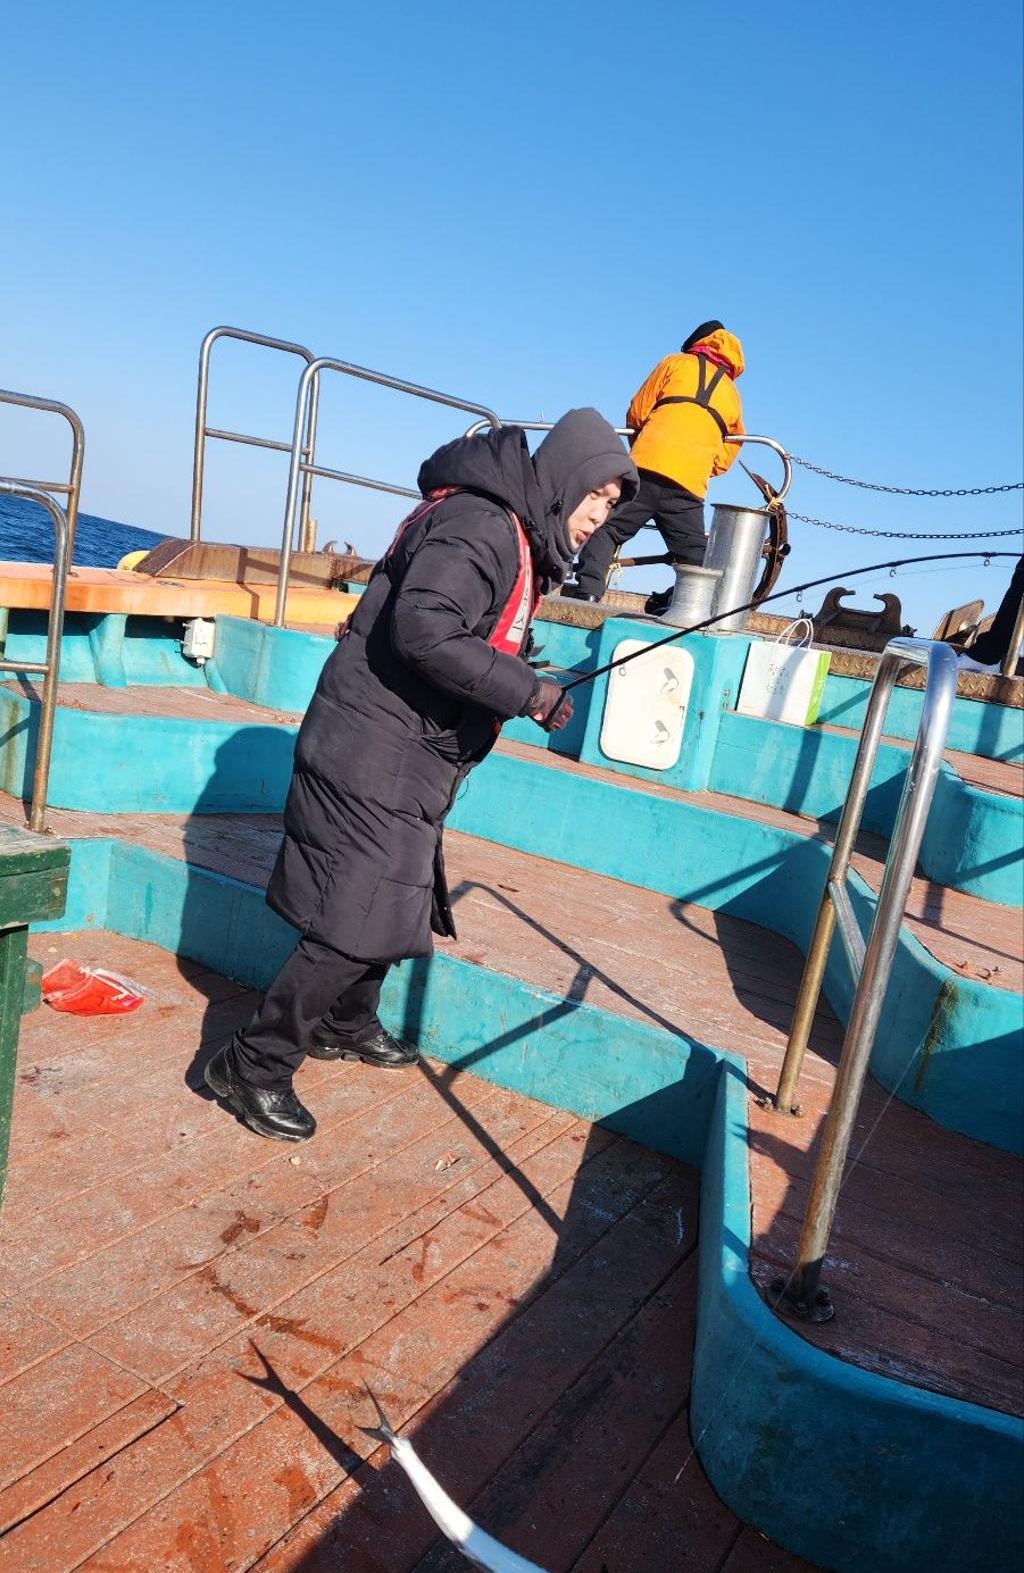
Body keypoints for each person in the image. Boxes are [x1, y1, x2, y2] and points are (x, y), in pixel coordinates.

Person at [205, 411, 639, 1141]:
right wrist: (528, 691)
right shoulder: (483, 524)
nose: (597, 515)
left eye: (609, 505)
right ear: (564, 478)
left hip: (408, 749)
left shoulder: (509, 529)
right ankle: (253, 1065)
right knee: (354, 917)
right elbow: (425, 629)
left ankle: (345, 1021)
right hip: (370, 743)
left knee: (395, 896)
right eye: (594, 495)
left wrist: (518, 671)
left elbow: (463, 629)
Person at [564, 320, 745, 603]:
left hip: (645, 469)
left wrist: (645, 448)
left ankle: (588, 593)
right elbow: (731, 448)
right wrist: (700, 465)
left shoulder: (674, 362)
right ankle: (688, 606)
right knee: (695, 555)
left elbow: (638, 411)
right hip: (688, 484)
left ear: (696, 345)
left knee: (608, 529)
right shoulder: (732, 393)